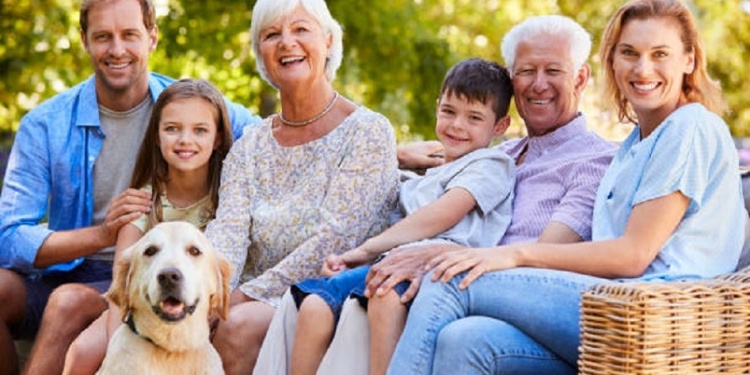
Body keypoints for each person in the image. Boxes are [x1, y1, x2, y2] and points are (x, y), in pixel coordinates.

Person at [388, 1, 746, 374]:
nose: (643, 69)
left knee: (450, 277)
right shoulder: (634, 146)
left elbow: (634, 255)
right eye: (629, 53)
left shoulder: (689, 127)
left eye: (660, 54)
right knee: (466, 340)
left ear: (688, 59)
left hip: (655, 315)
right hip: (610, 312)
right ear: (613, 62)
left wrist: (515, 256)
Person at [259, 14, 618, 375]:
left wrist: (448, 254)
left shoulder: (593, 160)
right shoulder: (496, 152)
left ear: (581, 77)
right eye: (526, 71)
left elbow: (544, 255)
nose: (539, 84)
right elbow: (431, 170)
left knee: (390, 295)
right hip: (434, 274)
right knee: (318, 298)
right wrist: (399, 153)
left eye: (553, 70)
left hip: (504, 296)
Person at [0, 0, 259, 374]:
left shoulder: (183, 107)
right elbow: (8, 237)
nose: (117, 50)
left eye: (130, 35)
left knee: (69, 302)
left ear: (152, 37)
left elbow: (272, 137)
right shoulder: (45, 125)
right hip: (66, 269)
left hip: (149, 270)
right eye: (103, 36)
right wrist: (101, 233)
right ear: (84, 40)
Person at [270, 58, 515, 375]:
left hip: (438, 270)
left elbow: (443, 214)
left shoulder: (492, 164)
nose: (456, 125)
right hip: (391, 261)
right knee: (315, 303)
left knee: (384, 296)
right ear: (437, 106)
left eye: (474, 118)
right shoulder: (426, 175)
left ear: (499, 126)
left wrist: (365, 249)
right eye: (449, 111)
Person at [205, 0, 399, 374]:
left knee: (235, 329)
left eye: (300, 30)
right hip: (245, 296)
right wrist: (212, 296)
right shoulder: (251, 144)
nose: (286, 43)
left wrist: (241, 299)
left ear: (328, 41)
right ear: (260, 54)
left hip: (323, 293)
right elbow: (226, 234)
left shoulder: (369, 132)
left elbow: (336, 239)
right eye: (271, 34)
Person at [60, 78, 234, 374]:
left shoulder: (232, 195)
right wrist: (119, 351)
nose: (184, 140)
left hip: (204, 311)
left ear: (217, 138)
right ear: (156, 136)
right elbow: (122, 284)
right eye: (171, 129)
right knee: (81, 352)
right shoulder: (141, 201)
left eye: (200, 130)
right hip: (147, 310)